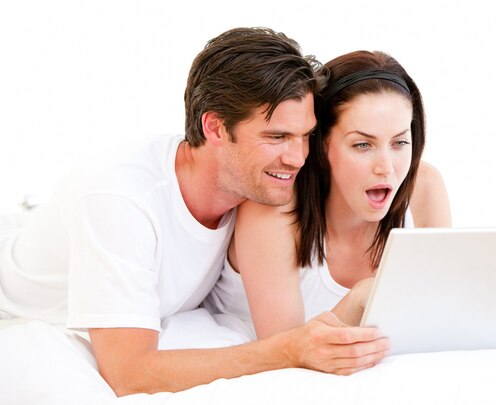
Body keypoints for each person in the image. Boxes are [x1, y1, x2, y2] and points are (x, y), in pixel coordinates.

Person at [0, 28, 390, 396]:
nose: (298, 157)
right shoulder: (121, 201)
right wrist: (288, 350)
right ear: (215, 128)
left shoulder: (255, 186)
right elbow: (128, 374)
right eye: (277, 137)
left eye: (305, 137)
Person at [206, 50, 451, 341]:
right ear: (322, 145)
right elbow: (285, 351)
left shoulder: (424, 187)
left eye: (399, 142)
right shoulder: (273, 207)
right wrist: (359, 298)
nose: (386, 168)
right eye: (362, 145)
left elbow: (439, 315)